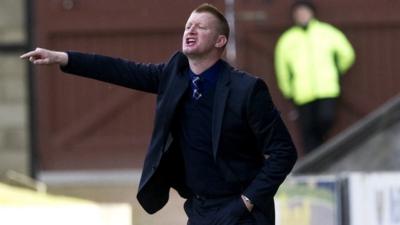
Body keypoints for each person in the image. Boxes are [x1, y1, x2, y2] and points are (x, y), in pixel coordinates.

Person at [22, 3, 297, 225]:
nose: (190, 30)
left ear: (220, 40)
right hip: (200, 210)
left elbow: (284, 152)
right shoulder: (173, 75)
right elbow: (120, 69)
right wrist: (64, 58)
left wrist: (246, 201)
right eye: (188, 25)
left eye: (200, 27)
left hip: (242, 212)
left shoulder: (247, 89)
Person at [274, 0, 355, 154]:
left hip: (327, 88)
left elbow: (347, 53)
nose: (302, 16)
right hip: (302, 92)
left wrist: (337, 70)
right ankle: (313, 165)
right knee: (307, 130)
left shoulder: (327, 32)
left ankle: (322, 152)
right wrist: (287, 89)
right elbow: (282, 68)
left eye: (304, 12)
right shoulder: (287, 39)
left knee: (326, 119)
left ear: (312, 13)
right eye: (298, 13)